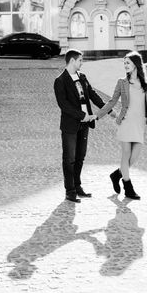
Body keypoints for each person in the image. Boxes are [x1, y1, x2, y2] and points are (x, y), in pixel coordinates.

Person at [54, 49, 113, 203]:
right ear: (72, 61)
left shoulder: (82, 77)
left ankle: (78, 186)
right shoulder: (60, 80)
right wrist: (82, 115)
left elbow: (92, 95)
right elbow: (64, 105)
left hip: (85, 124)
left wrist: (108, 110)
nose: (82, 63)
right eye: (80, 60)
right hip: (70, 126)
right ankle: (70, 191)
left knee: (80, 158)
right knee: (69, 159)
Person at [95, 51, 147, 200]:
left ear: (135, 64)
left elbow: (146, 105)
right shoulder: (122, 82)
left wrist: (146, 121)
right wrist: (98, 115)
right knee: (126, 154)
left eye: (128, 63)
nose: (125, 65)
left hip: (139, 123)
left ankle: (116, 175)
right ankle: (128, 188)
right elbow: (112, 101)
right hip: (126, 121)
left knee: (134, 157)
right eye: (124, 63)